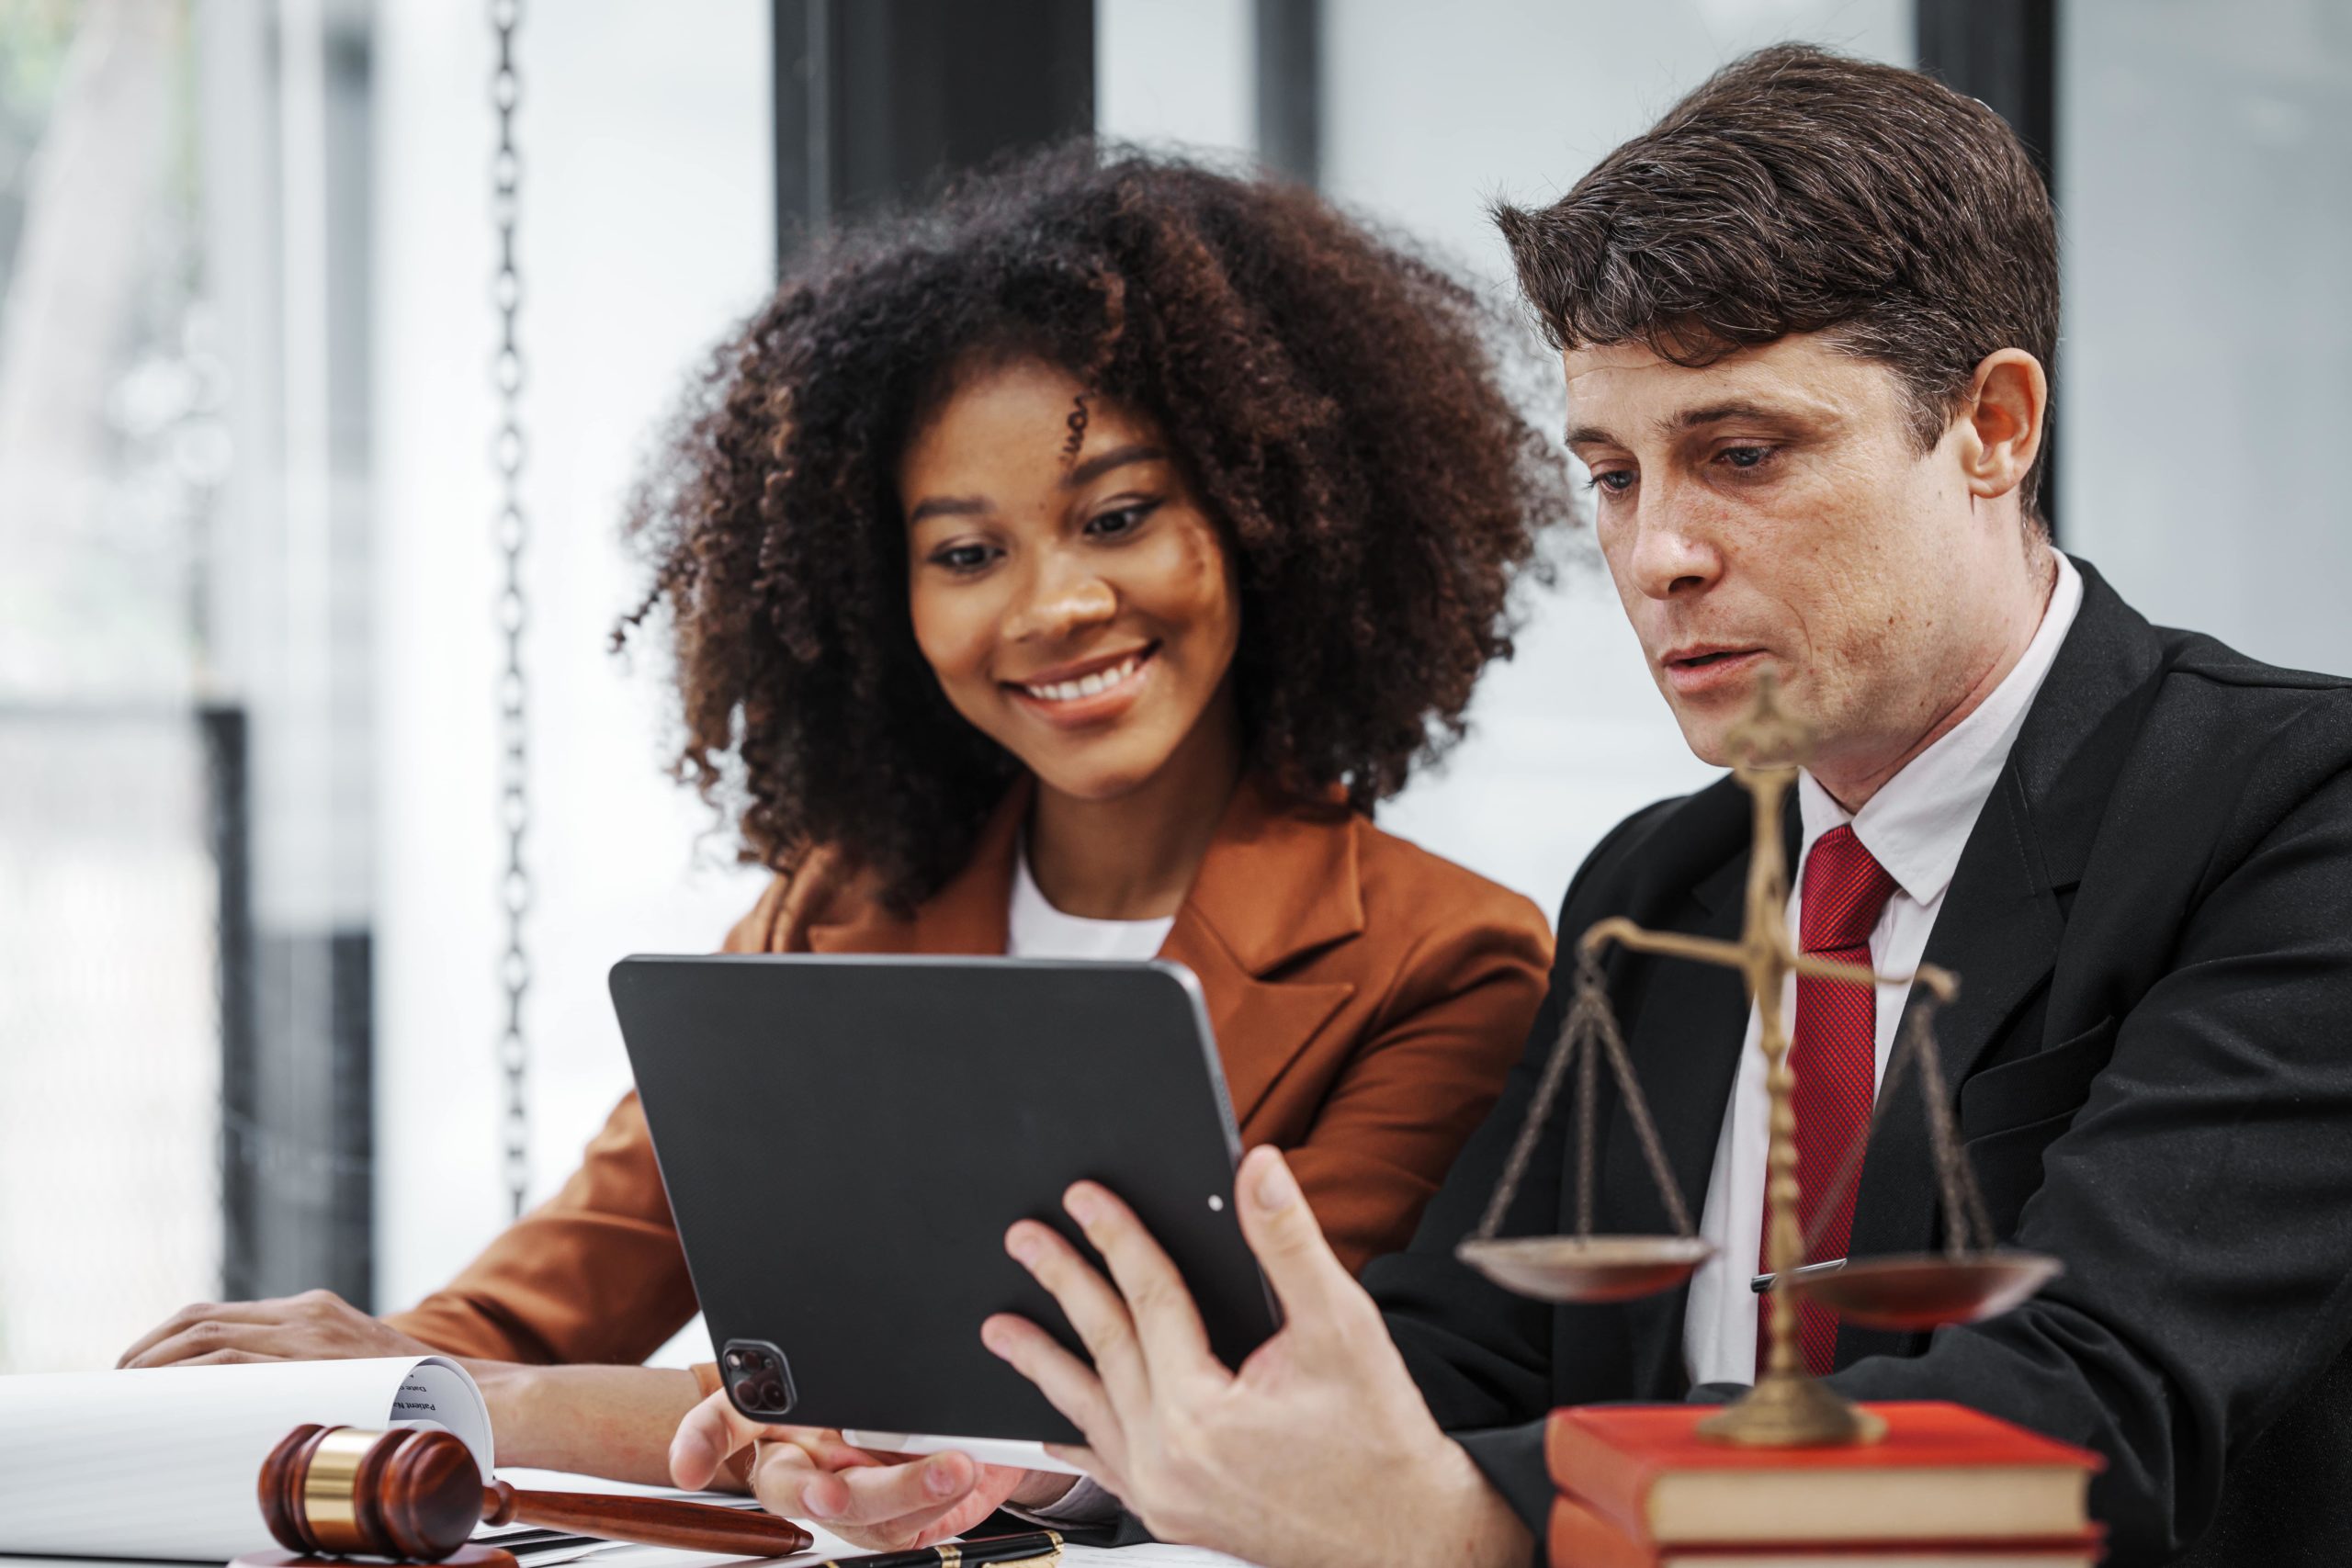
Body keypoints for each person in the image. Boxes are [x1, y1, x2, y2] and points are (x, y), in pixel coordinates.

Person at [788, 48, 2352, 1568]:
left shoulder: (2287, 817)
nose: (1660, 553)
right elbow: (1460, 1363)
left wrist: (1474, 1525)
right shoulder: (1657, 888)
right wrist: (1039, 1467)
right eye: (1613, 475)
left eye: (1743, 454)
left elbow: (2087, 1418)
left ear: (1992, 429)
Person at [115, 145, 1575, 1521]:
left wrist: (446, 1398)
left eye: (1119, 516)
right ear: (889, 601)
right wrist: (353, 1372)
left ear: (1267, 518)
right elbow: (533, 1312)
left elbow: (1184, 1408)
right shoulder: (836, 910)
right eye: (965, 553)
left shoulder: (1449, 962)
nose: (1053, 604)